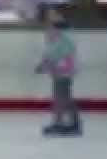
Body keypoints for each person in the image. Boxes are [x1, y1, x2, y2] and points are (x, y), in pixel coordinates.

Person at [34, 8, 82, 136]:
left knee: (61, 98)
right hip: (58, 71)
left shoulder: (65, 35)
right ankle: (71, 123)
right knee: (63, 98)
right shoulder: (53, 33)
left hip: (64, 71)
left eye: (54, 15)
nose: (52, 18)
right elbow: (49, 52)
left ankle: (61, 123)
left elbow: (66, 53)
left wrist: (50, 64)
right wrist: (44, 64)